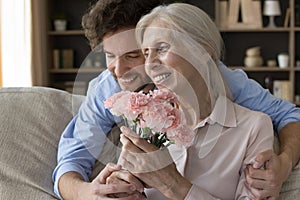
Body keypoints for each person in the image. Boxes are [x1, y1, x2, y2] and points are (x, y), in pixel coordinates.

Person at [52, 0, 300, 199]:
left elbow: (289, 115)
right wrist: (89, 192)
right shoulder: (109, 89)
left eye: (133, 54)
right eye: (109, 56)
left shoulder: (223, 83)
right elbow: (72, 156)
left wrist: (284, 163)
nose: (119, 70)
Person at [115, 3, 274, 199]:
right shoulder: (147, 123)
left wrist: (172, 183)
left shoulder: (253, 127)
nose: (150, 65)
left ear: (203, 51)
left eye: (161, 49)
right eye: (146, 53)